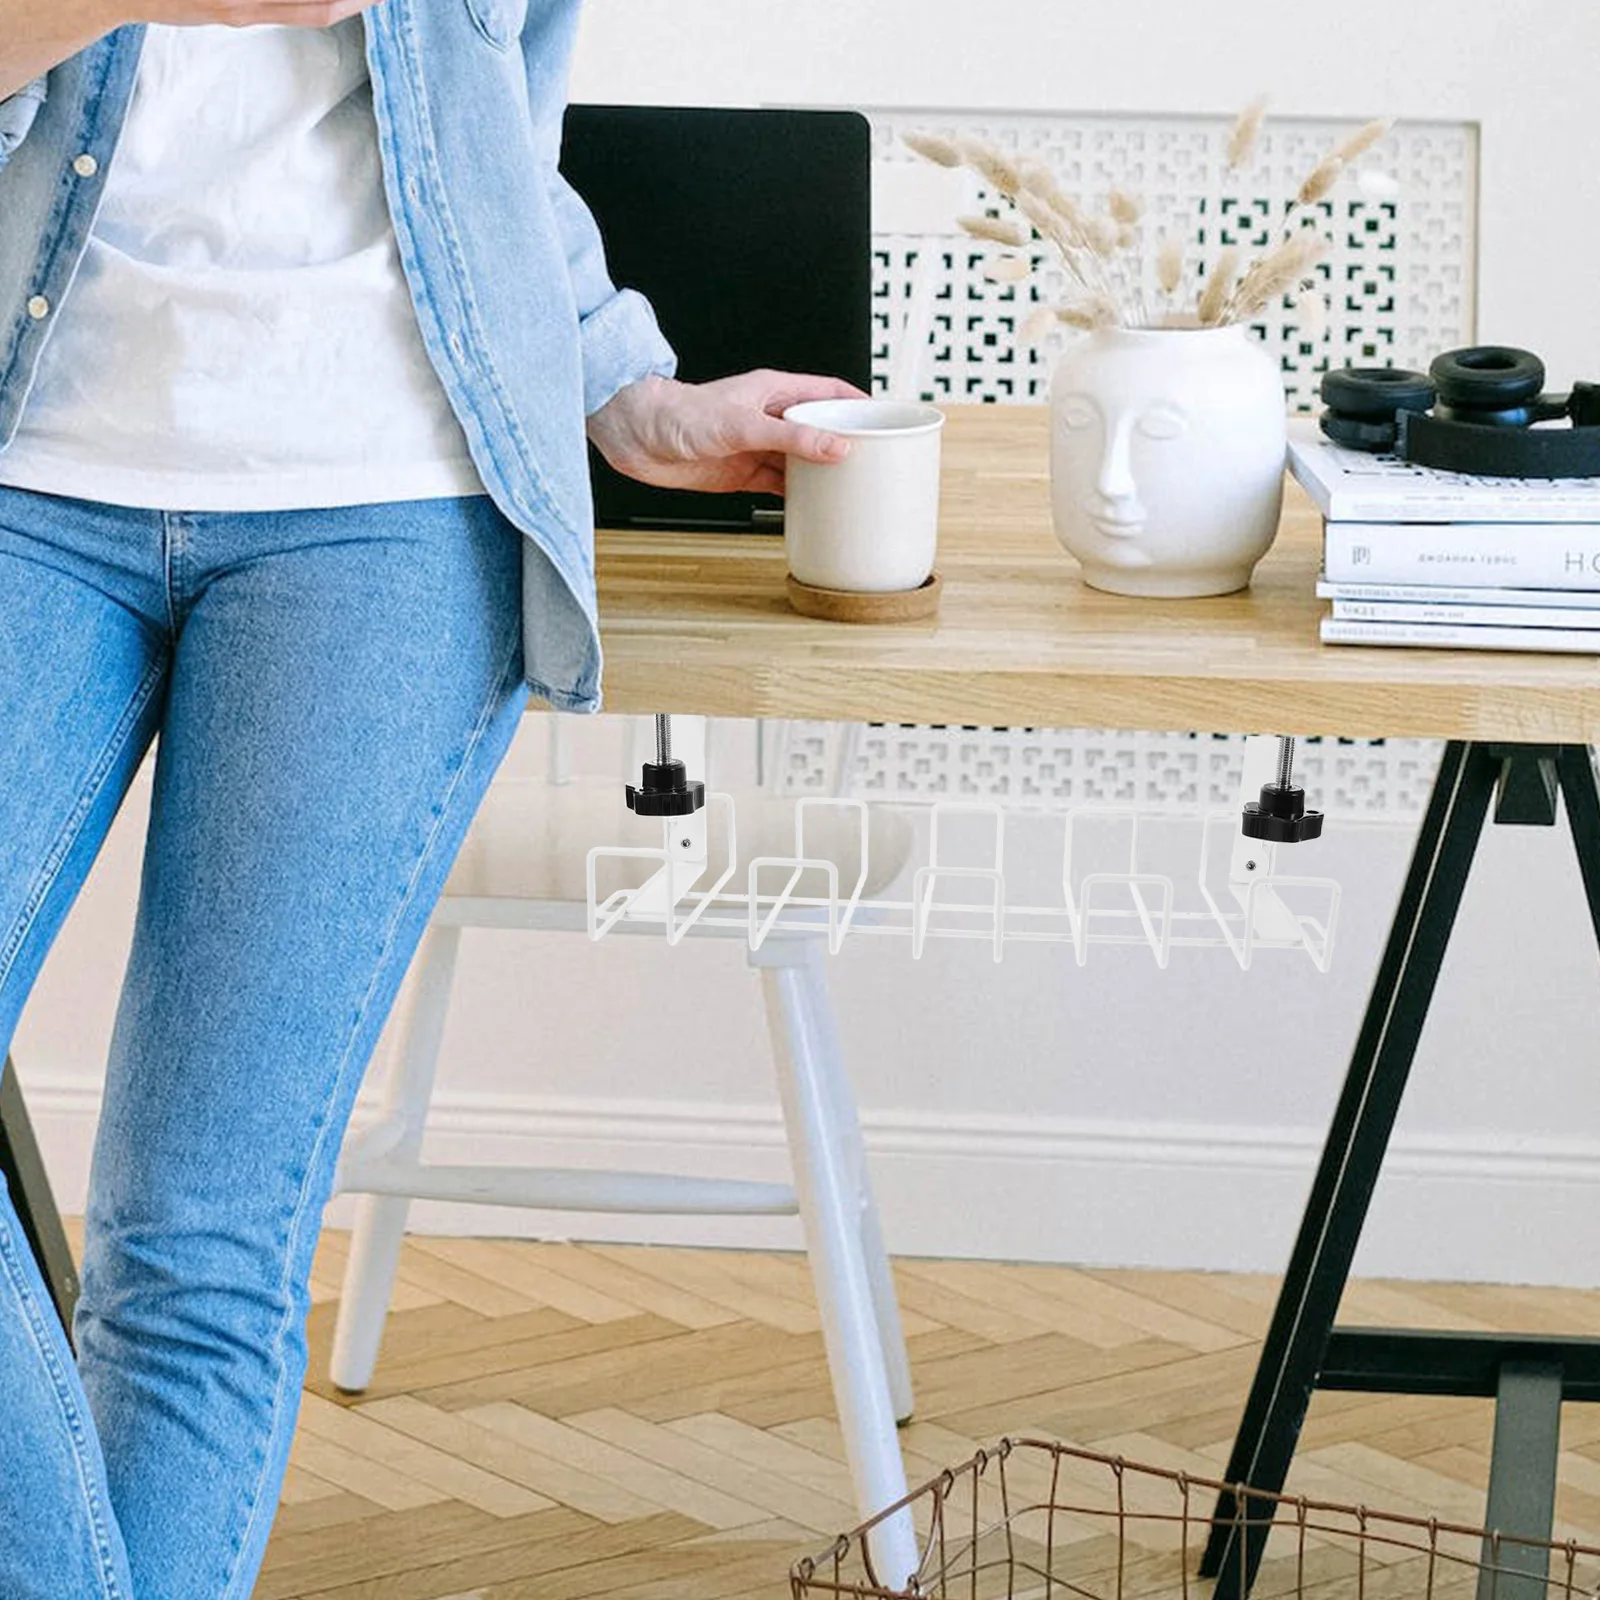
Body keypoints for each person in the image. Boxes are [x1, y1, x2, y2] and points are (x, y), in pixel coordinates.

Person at [0, 3, 860, 1594]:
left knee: (196, 1241)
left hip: (386, 508)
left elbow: (491, 128)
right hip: (28, 465)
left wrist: (625, 389)